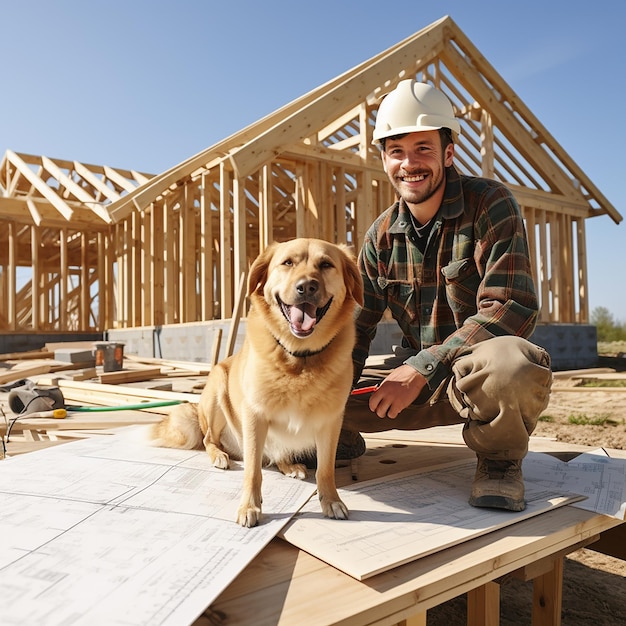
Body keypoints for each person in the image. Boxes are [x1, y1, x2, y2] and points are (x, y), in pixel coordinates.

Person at [340, 79, 553, 512]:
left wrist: (424, 366)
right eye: (397, 151)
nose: (409, 163)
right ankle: (335, 433)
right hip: (412, 389)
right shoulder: (380, 236)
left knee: (511, 364)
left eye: (423, 149)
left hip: (473, 383)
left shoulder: (490, 204)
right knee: (313, 389)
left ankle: (498, 460)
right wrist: (328, 386)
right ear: (384, 159)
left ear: (448, 154)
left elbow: (510, 306)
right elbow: (354, 326)